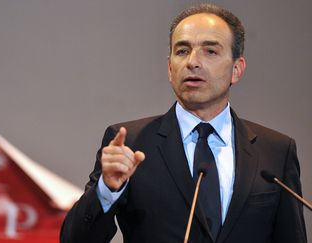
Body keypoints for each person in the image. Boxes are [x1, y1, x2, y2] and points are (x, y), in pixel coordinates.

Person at [60, 3, 306, 243]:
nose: (192, 62)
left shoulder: (275, 152)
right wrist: (106, 190)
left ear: (236, 69)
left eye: (210, 51)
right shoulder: (133, 145)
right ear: (170, 68)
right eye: (182, 51)